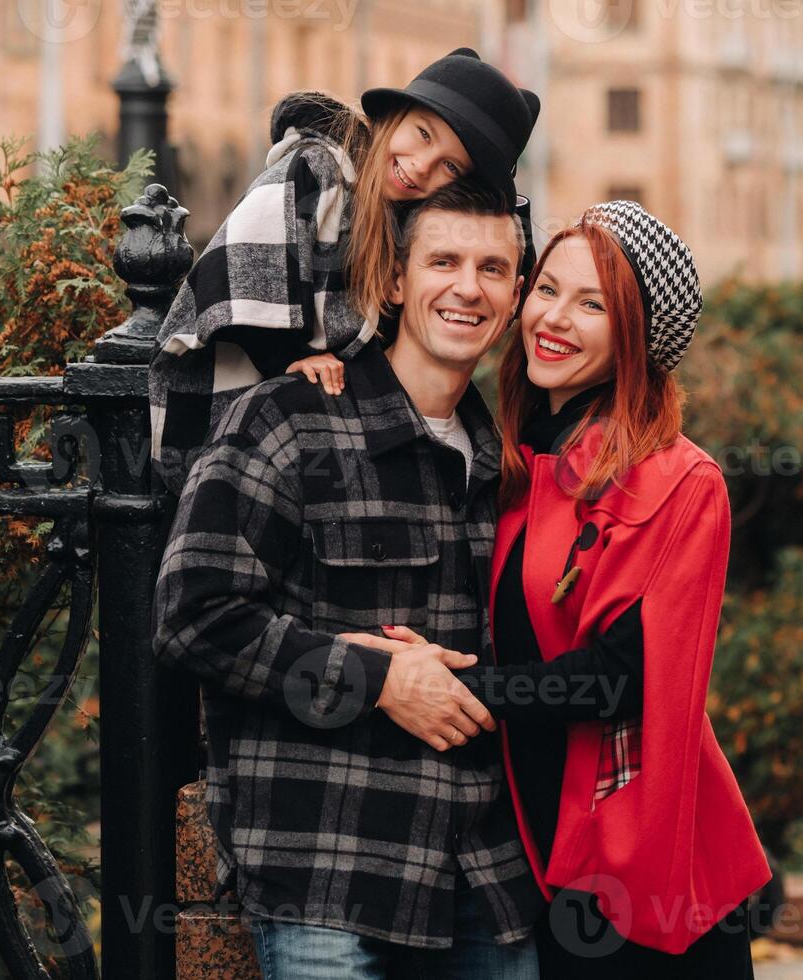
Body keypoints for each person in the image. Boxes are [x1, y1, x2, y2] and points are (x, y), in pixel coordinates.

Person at [354, 201, 774, 976]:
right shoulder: (509, 461)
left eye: (594, 306)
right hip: (533, 855)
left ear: (635, 341)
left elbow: (621, 677)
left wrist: (460, 686)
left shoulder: (679, 482)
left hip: (638, 862)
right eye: (548, 289)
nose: (555, 318)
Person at [154, 181, 545, 979]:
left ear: (514, 295)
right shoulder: (286, 419)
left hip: (482, 872)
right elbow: (193, 614)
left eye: (494, 269)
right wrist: (379, 679)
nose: (468, 287)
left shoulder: (513, 464)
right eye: (444, 261)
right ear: (396, 282)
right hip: (327, 867)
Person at [148, 48, 540, 494]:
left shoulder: (399, 221)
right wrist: (286, 356)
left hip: (305, 441)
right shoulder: (319, 167)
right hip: (221, 419)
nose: (421, 165)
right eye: (423, 135)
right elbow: (240, 270)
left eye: (450, 166)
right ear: (397, 114)